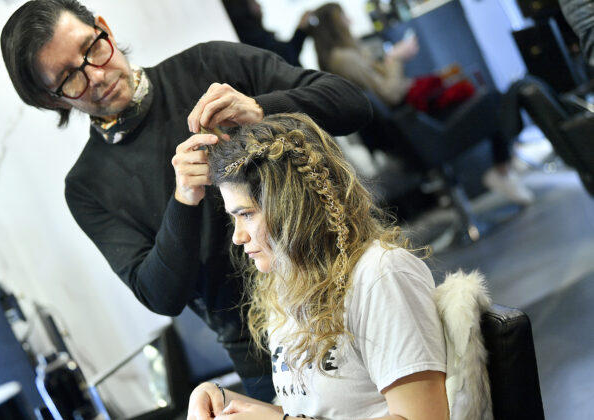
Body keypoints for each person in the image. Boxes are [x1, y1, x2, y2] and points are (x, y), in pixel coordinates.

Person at [0, 0, 371, 401]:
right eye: (70, 77)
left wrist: (263, 109)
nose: (95, 74)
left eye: (92, 48)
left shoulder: (208, 66)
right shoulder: (89, 186)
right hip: (263, 352)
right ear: (52, 99)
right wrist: (183, 200)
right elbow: (161, 295)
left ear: (104, 28)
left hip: (349, 289)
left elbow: (352, 103)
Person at [187, 113, 449, 420]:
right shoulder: (286, 285)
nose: (237, 236)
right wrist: (227, 403)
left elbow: (423, 417)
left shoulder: (380, 275)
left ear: (290, 208)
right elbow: (319, 412)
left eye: (246, 214)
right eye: (234, 218)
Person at [309, 2, 535, 206]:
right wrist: (395, 58)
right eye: (344, 18)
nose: (351, 21)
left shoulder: (344, 57)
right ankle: (502, 166)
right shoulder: (345, 59)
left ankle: (505, 162)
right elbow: (391, 94)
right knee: (492, 99)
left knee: (485, 96)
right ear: (334, 25)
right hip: (415, 129)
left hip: (412, 124)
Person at [222, 0, 314, 67]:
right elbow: (288, 56)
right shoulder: (256, 42)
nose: (259, 5)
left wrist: (301, 29)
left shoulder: (250, 40)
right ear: (243, 8)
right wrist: (301, 30)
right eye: (253, 2)